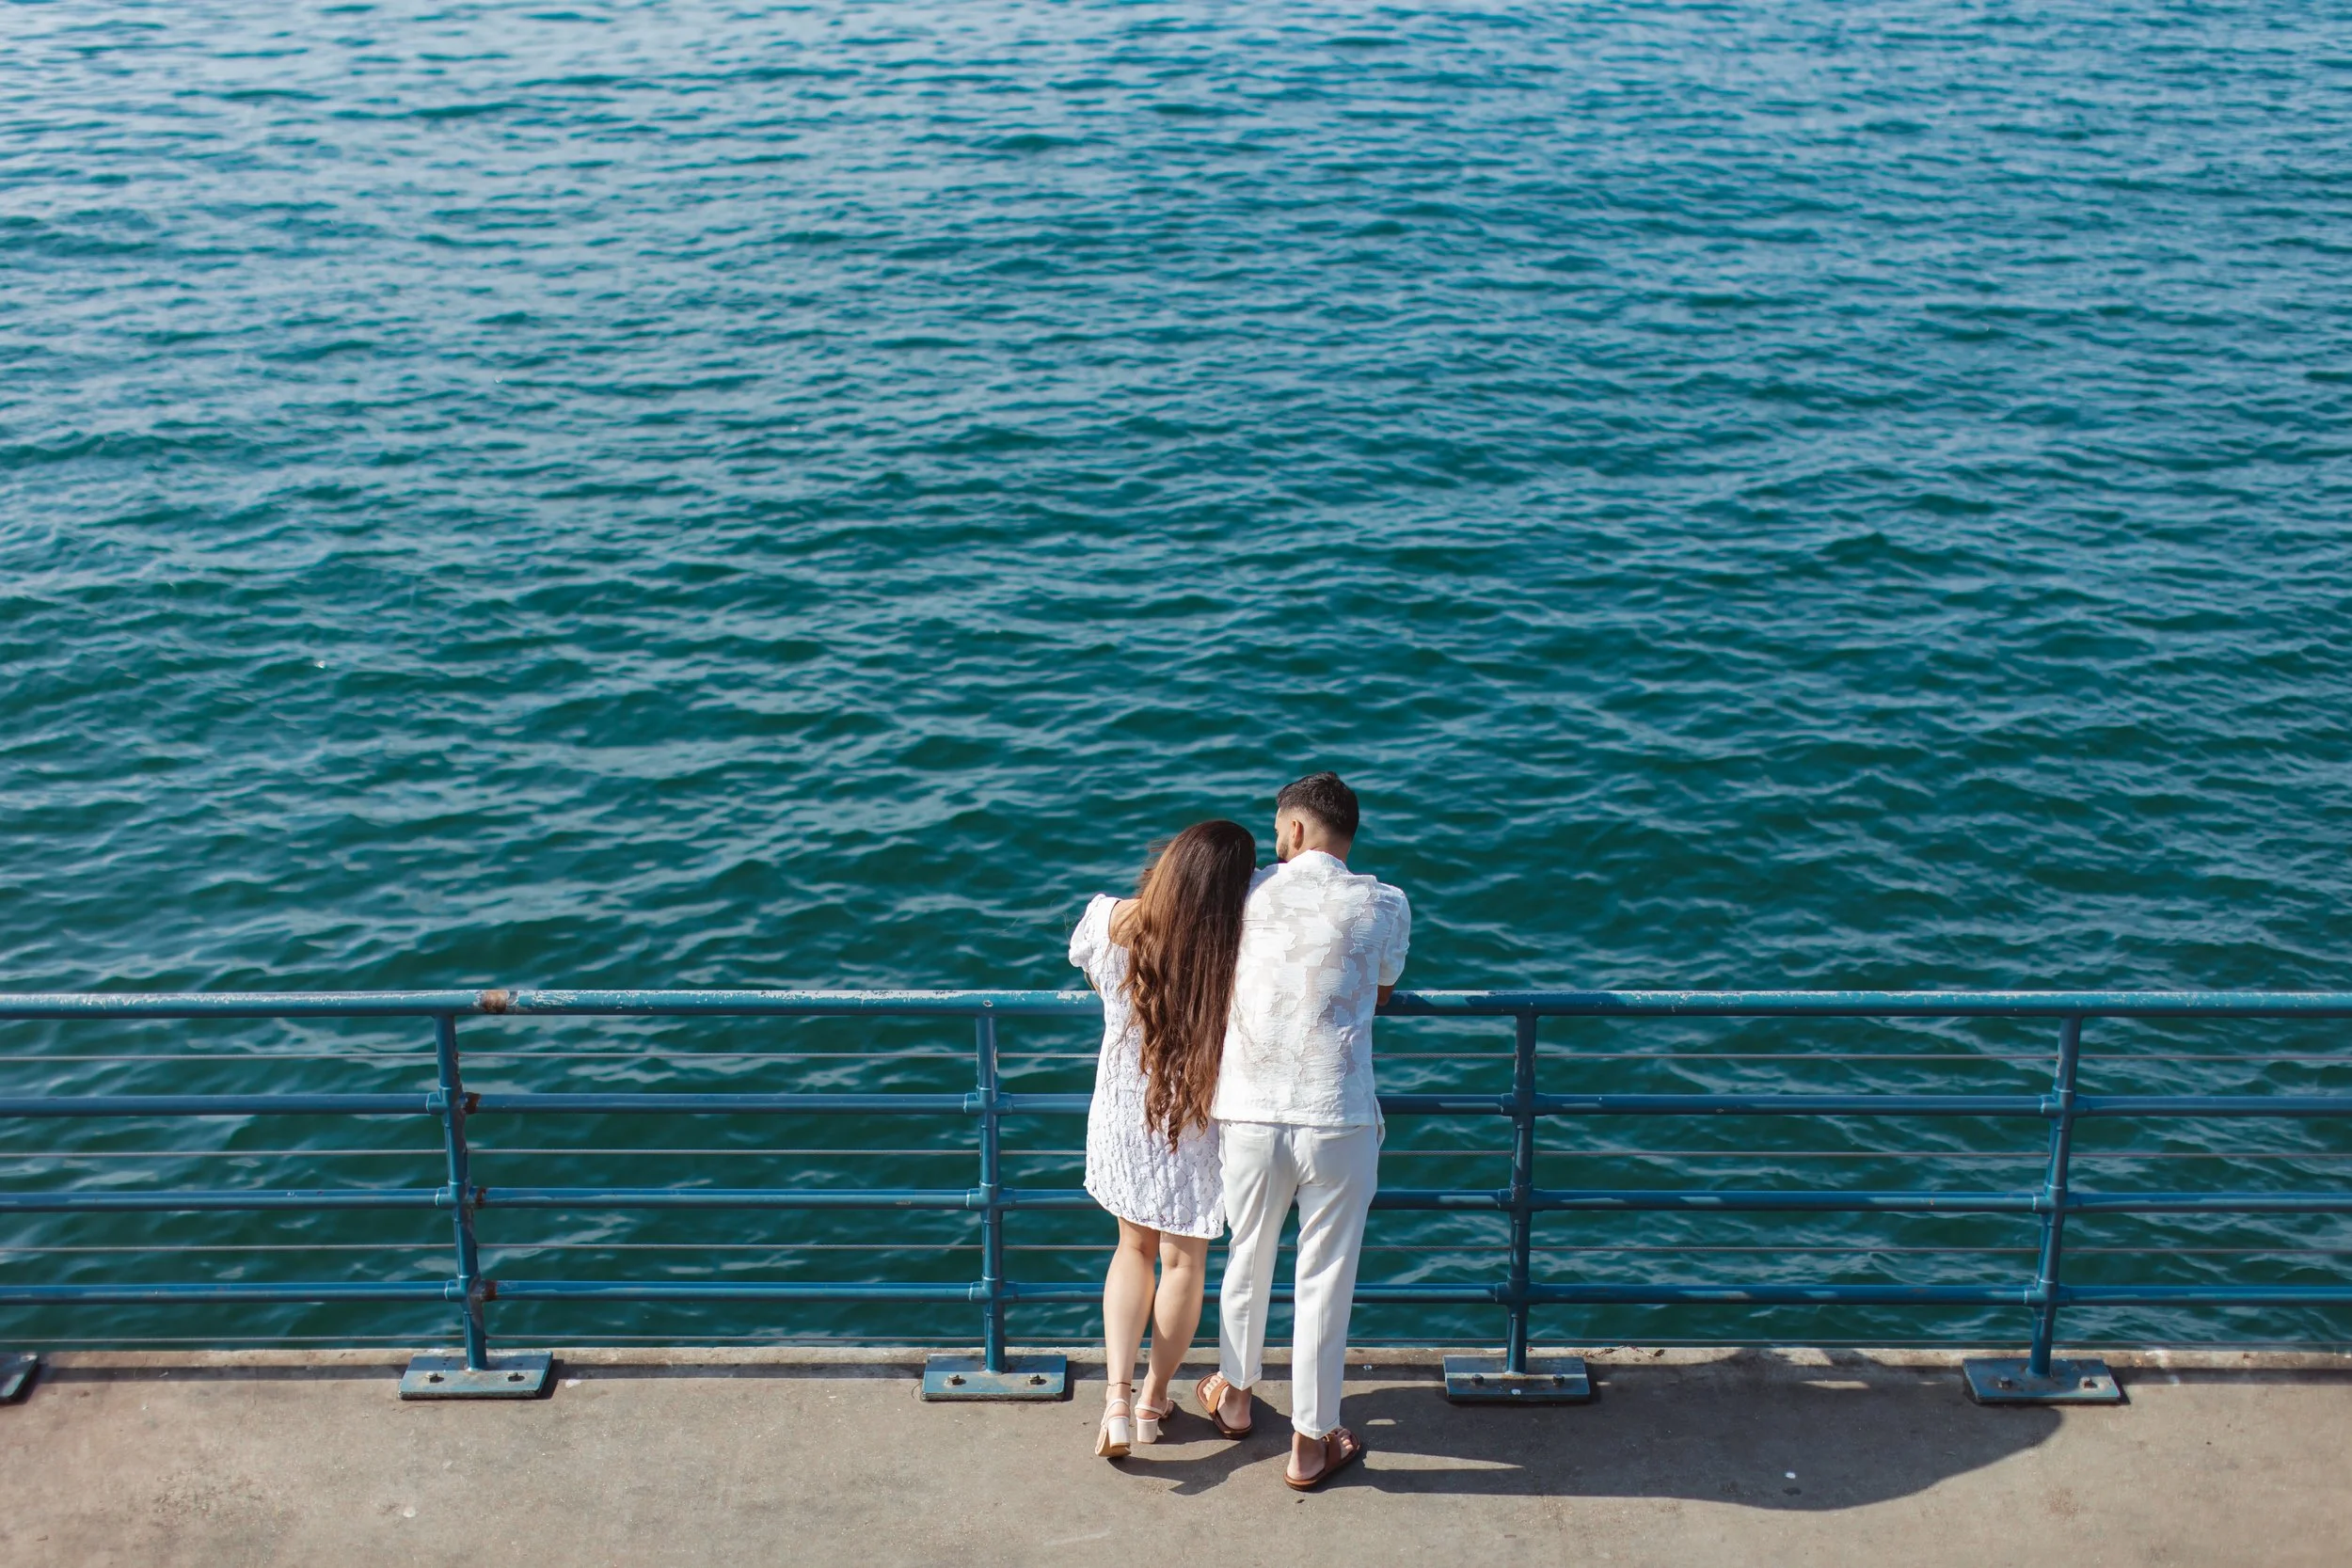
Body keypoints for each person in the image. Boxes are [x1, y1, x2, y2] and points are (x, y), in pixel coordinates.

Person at [1194, 772, 1408, 1491]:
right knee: (1325, 1279)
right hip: (1337, 1115)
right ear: (1345, 834)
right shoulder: (1384, 902)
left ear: (1292, 831)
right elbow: (1380, 989)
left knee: (1246, 1254)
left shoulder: (1247, 891)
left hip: (1250, 1108)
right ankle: (1310, 1445)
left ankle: (1234, 1396)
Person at [1069, 818, 1258, 1460]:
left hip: (1127, 1110)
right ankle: (1154, 1396)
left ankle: (1116, 1399)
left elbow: (1094, 975)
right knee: (1183, 1261)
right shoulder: (1239, 952)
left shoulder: (1113, 922)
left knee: (1131, 1249)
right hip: (1199, 1117)